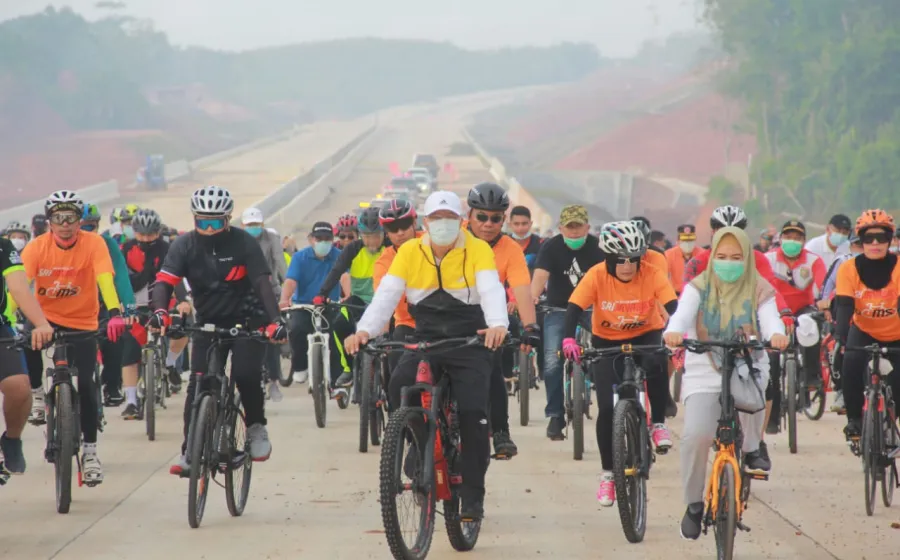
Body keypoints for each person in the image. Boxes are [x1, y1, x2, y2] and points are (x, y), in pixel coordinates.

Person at [345, 191, 509, 521]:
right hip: (427, 336)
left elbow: (490, 289)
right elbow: (387, 296)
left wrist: (497, 324)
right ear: (426, 223)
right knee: (399, 387)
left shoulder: (476, 249)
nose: (443, 226)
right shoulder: (409, 251)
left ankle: (473, 495)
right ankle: (421, 446)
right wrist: (364, 331)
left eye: (450, 219)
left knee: (475, 413)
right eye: (436, 220)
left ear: (461, 222)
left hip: (469, 338)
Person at [149, 186, 286, 474]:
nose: (208, 229)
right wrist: (161, 311)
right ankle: (190, 450)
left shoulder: (243, 243)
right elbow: (163, 282)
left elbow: (263, 283)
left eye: (215, 223)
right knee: (198, 384)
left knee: (245, 375)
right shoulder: (184, 245)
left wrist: (275, 321)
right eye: (202, 222)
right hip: (208, 323)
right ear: (194, 220)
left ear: (227, 221)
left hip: (250, 320)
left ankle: (256, 428)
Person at [664, 226, 788, 540]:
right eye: (721, 256)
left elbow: (770, 316)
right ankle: (693, 504)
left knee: (758, 389)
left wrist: (776, 333)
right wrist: (674, 332)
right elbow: (681, 315)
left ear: (747, 258)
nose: (728, 262)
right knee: (696, 436)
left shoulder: (758, 286)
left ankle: (752, 447)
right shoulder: (698, 286)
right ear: (712, 256)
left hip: (746, 364)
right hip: (705, 368)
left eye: (736, 257)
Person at [564, 221, 677, 507]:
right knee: (605, 408)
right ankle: (608, 476)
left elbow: (673, 305)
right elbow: (574, 307)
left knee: (657, 359)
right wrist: (568, 339)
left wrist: (679, 329)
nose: (627, 266)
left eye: (633, 259)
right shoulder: (596, 275)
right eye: (620, 260)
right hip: (607, 341)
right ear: (608, 258)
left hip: (646, 333)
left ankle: (659, 423)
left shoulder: (651, 273)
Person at [22, 190, 128, 484]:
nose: (65, 225)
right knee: (26, 338)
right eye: (59, 218)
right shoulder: (36, 248)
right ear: (49, 222)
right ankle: (38, 394)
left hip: (83, 321)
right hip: (45, 320)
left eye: (71, 218)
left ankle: (91, 453)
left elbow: (105, 279)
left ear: (80, 222)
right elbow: (17, 286)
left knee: (88, 385)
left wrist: (115, 311)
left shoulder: (94, 244)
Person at [466, 183, 541, 458]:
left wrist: (530, 327)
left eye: (496, 218)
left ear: (503, 219)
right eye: (482, 217)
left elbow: (522, 288)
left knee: (492, 368)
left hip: (490, 317)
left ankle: (500, 431)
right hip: (449, 314)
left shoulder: (510, 248)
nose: (488, 224)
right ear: (469, 214)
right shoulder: (453, 238)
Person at [530, 205, 605, 440]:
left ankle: (611, 404)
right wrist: (533, 297)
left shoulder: (599, 248)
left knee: (607, 350)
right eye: (569, 227)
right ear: (560, 228)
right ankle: (555, 415)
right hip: (559, 308)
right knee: (552, 361)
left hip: (592, 307)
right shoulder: (551, 247)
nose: (574, 233)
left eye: (578, 227)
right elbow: (540, 276)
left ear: (587, 227)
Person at [836, 210, 900, 443]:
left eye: (881, 238)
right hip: (863, 330)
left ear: (890, 240)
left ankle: (891, 420)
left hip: (896, 333)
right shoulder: (848, 269)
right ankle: (854, 420)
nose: (875, 243)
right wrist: (842, 339)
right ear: (859, 240)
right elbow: (843, 307)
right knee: (851, 363)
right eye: (868, 238)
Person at [119, 209, 189, 418]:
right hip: (135, 302)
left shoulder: (169, 249)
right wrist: (120, 305)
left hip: (165, 300)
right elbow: (120, 279)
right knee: (129, 349)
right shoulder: (126, 250)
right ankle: (131, 401)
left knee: (183, 327)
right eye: (142, 234)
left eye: (151, 235)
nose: (146, 239)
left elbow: (176, 277)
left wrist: (183, 301)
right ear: (134, 232)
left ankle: (170, 363)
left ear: (158, 233)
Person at [762, 219, 825, 434]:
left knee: (811, 327)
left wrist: (825, 303)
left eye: (797, 238)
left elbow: (823, 286)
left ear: (804, 241)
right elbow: (765, 288)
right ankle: (772, 415)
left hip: (803, 308)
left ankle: (811, 376)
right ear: (781, 238)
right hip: (775, 310)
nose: (792, 241)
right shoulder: (768, 259)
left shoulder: (813, 260)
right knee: (771, 359)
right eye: (788, 237)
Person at [0, 229, 54, 474]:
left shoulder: (4, 247)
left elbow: (20, 289)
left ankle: (12, 439)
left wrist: (41, 323)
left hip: (1, 328)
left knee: (20, 387)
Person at [314, 207, 387, 388]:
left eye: (376, 235)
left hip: (386, 302)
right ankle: (348, 369)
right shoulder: (353, 249)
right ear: (361, 234)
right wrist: (322, 294)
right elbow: (336, 271)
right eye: (366, 236)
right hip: (360, 300)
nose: (371, 241)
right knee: (339, 324)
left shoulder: (391, 248)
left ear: (384, 233)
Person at [79, 203, 137, 407]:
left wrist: (129, 308)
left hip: (101, 305)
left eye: (92, 226)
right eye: (83, 226)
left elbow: (120, 275)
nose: (88, 231)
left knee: (115, 338)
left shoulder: (107, 244)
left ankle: (112, 386)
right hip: (71, 307)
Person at [279, 222, 345, 390]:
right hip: (304, 306)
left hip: (330, 305)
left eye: (327, 239)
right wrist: (285, 299)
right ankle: (301, 367)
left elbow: (345, 277)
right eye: (319, 238)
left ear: (332, 240)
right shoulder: (299, 257)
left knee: (336, 337)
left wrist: (349, 296)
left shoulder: (339, 255)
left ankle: (338, 381)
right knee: (296, 329)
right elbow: (291, 281)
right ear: (311, 239)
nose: (323, 242)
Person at [240, 207, 288, 402]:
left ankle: (274, 381)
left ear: (262, 224)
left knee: (272, 334)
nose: (253, 228)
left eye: (256, 225)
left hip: (270, 290)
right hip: (244, 292)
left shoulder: (271, 238)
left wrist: (288, 287)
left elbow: (280, 262)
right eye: (249, 225)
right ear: (244, 225)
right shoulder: (238, 240)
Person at [372, 199, 421, 374]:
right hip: (407, 325)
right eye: (393, 228)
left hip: (442, 322)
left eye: (405, 225)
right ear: (386, 232)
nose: (400, 232)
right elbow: (383, 302)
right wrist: (383, 333)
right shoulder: (383, 262)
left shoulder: (434, 243)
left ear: (415, 222)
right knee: (396, 374)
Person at [818, 233, 863, 412]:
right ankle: (841, 390)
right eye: (859, 244)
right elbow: (827, 287)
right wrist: (825, 306)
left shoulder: (890, 263)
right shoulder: (843, 262)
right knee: (839, 347)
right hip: (845, 311)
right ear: (851, 246)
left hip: (877, 317)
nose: (865, 247)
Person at [665, 224, 700, 296]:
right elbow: (663, 276)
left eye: (690, 240)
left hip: (698, 295)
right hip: (677, 295)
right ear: (678, 241)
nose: (688, 243)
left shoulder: (702, 254)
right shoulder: (669, 254)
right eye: (684, 240)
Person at [507, 205, 543, 270]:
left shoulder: (541, 244)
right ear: (510, 225)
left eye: (524, 224)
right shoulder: (503, 243)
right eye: (516, 224)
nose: (520, 228)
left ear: (530, 224)